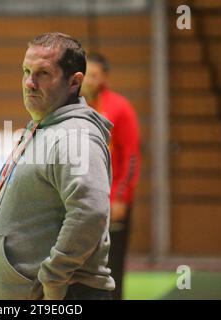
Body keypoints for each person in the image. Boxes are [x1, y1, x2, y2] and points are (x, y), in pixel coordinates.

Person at [0, 32, 115, 300]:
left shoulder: (76, 135)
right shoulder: (46, 127)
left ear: (74, 82)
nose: (29, 82)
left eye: (43, 73)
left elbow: (90, 212)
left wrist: (53, 277)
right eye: (26, 71)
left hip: (63, 296)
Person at [81, 53, 141, 300]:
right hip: (83, 201)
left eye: (95, 75)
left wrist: (120, 197)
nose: (90, 80)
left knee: (112, 265)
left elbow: (132, 156)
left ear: (104, 77)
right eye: (86, 75)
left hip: (112, 201)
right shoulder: (72, 107)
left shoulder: (120, 107)